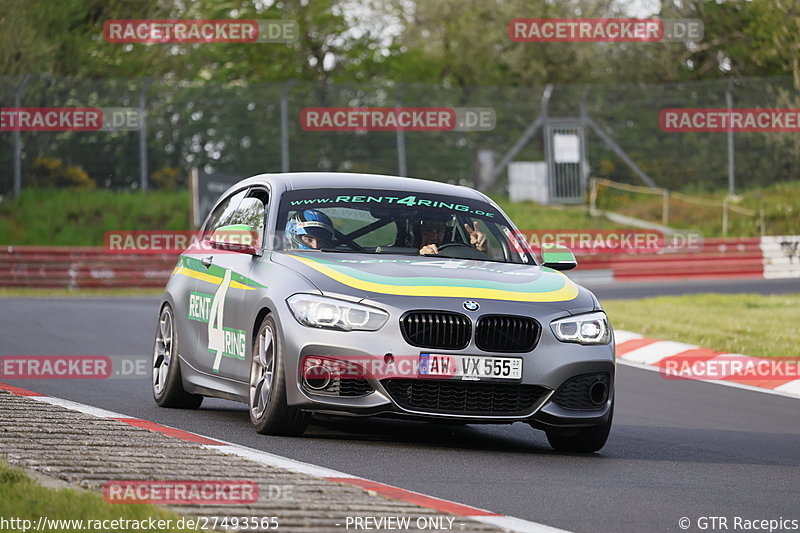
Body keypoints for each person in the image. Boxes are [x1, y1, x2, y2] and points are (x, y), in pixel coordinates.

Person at [418, 219, 487, 255]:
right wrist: (420, 255)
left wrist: (481, 246)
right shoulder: (407, 250)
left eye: (440, 231)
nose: (434, 236)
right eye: (428, 231)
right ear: (419, 231)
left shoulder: (455, 255)